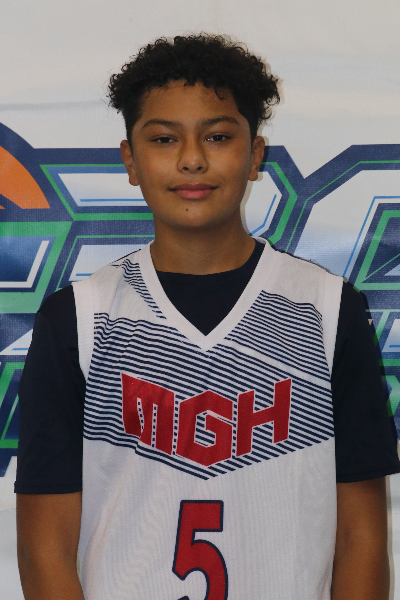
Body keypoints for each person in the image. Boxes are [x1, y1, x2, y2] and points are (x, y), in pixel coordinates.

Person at [15, 34, 400, 600]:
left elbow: (361, 536)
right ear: (130, 160)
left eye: (217, 136)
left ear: (255, 155)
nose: (192, 158)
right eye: (164, 138)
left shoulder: (328, 309)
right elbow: (44, 547)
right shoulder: (78, 319)